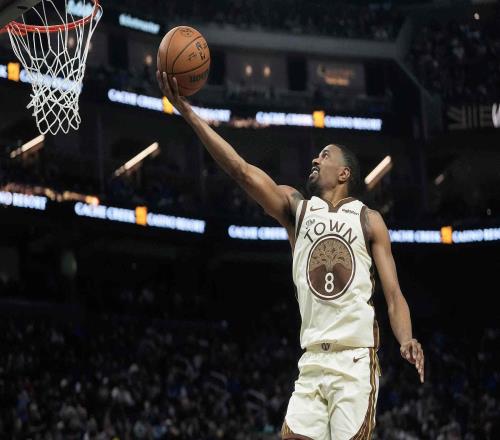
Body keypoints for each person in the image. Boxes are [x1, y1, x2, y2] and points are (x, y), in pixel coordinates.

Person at [156, 72, 425, 440]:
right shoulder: (296, 208)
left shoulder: (368, 219)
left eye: (324, 155)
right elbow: (240, 171)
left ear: (344, 172)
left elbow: (393, 295)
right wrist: (189, 114)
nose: (315, 158)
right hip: (312, 359)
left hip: (354, 358)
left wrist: (406, 338)